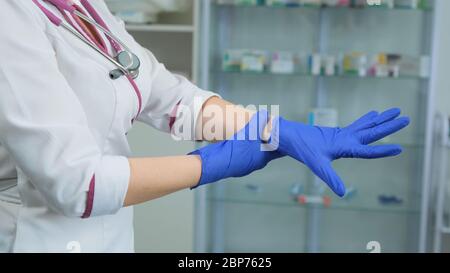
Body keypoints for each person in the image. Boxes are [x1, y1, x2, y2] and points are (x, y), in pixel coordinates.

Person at [0, 0, 410, 253]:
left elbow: (172, 98)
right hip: (34, 237)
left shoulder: (81, 5)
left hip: (107, 234)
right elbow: (77, 183)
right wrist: (207, 165)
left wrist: (269, 127)